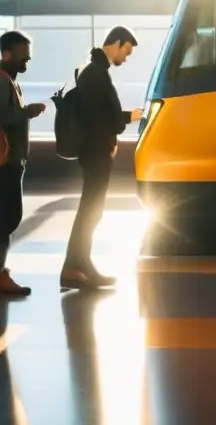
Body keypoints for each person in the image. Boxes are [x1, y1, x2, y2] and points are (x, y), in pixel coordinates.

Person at [61, 26, 143, 290]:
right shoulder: (96, 73)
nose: (126, 58)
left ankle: (76, 266)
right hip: (96, 152)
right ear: (117, 43)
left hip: (94, 151)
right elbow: (101, 117)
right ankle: (77, 266)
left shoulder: (92, 69)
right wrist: (129, 117)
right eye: (126, 52)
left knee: (91, 211)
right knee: (90, 211)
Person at [0, 30, 47, 296]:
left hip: (11, 159)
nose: (25, 64)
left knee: (8, 215)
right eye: (23, 58)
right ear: (6, 54)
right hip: (5, 159)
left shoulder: (6, 79)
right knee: (3, 216)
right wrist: (26, 112)